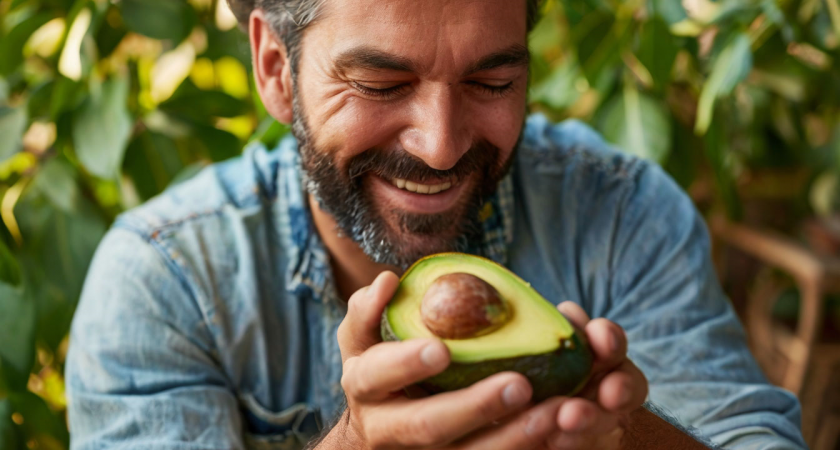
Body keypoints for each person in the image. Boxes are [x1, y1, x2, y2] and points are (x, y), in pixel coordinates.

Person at [64, 0, 807, 449]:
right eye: (381, 83)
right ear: (275, 69)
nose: (441, 143)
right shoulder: (164, 279)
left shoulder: (622, 213)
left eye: (492, 82)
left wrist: (621, 430)